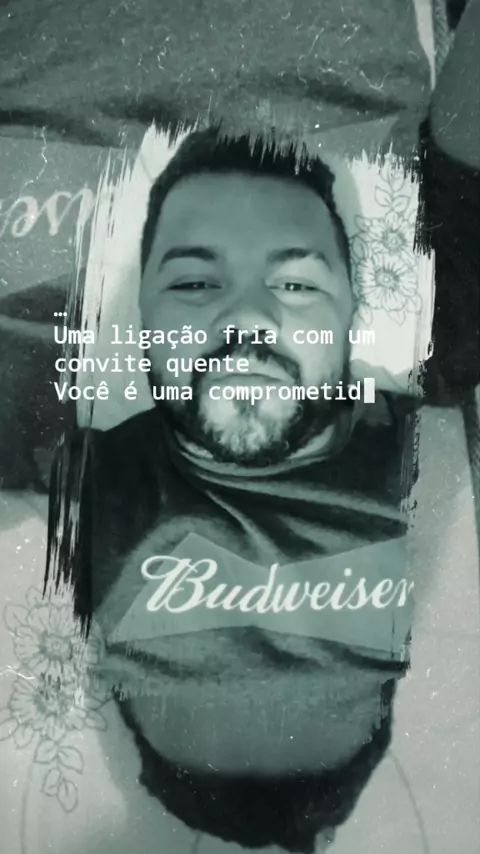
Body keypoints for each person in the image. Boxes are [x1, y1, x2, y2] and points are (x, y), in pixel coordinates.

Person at [46, 130, 416, 854]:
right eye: (195, 283)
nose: (247, 319)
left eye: (296, 284)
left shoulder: (72, 484)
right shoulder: (431, 465)